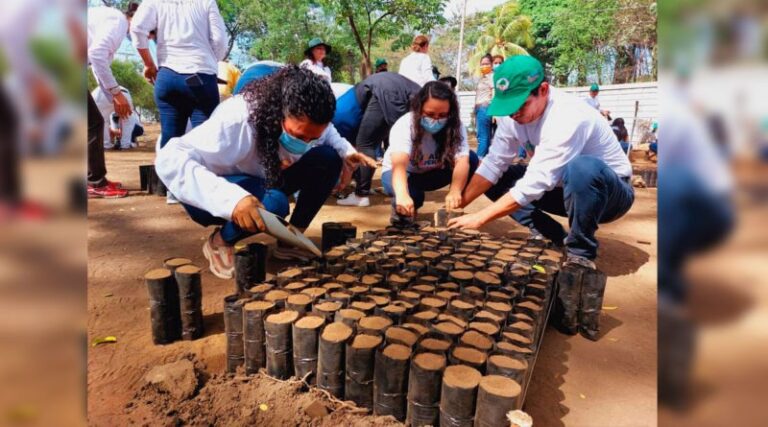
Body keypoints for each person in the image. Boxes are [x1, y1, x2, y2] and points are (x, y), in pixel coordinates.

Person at [155, 66, 376, 278]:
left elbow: (328, 132)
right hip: (213, 192)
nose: (306, 143)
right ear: (279, 111)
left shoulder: (310, 119)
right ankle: (220, 242)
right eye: (298, 136)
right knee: (275, 204)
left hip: (262, 180)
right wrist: (233, 200)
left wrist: (346, 152)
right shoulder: (237, 119)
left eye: (312, 138)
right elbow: (170, 158)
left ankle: (290, 241)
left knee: (327, 158)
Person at [448, 55, 634, 270]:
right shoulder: (512, 117)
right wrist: (459, 205)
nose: (513, 113)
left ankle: (580, 254)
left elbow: (537, 181)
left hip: (608, 196)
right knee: (496, 177)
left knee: (581, 168)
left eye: (521, 105)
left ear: (543, 90)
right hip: (561, 190)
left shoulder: (569, 115)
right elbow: (493, 163)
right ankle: (551, 233)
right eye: (508, 107)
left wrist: (480, 218)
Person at [130, 0, 228, 150]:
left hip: (168, 77)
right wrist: (208, 61)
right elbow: (220, 41)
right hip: (201, 79)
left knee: (169, 142)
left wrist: (149, 64)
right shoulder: (207, 2)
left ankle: (165, 171)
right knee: (204, 144)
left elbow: (137, 28)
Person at [382, 81, 479, 226]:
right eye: (430, 114)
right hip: (403, 173)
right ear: (419, 108)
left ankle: (452, 209)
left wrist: (455, 191)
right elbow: (399, 165)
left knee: (471, 158)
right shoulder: (405, 125)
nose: (435, 120)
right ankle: (405, 206)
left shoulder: (455, 126)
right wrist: (402, 194)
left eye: (442, 115)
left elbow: (462, 161)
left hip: (433, 173)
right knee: (411, 196)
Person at [332, 72, 421, 207]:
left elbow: (352, 155)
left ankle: (360, 195)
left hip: (385, 91)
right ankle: (373, 187)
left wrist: (345, 175)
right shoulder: (338, 107)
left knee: (365, 144)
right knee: (374, 143)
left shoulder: (333, 125)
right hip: (409, 91)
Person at [86, 3, 138, 198]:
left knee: (91, 122)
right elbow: (96, 55)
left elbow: (98, 66)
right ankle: (95, 182)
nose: (147, 37)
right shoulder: (118, 21)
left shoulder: (110, 22)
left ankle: (94, 180)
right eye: (150, 31)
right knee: (93, 123)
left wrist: (113, 97)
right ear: (134, 18)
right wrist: (116, 94)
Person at [91, 85, 142, 150]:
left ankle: (106, 145)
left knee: (103, 122)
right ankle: (125, 145)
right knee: (127, 120)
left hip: (101, 95)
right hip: (123, 93)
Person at [475, 53, 494, 158]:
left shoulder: (492, 76)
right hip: (480, 109)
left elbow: (494, 92)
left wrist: (495, 111)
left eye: (486, 63)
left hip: (485, 107)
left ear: (491, 65)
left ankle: (479, 161)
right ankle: (484, 161)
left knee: (483, 137)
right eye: (482, 64)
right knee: (483, 136)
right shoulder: (484, 77)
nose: (484, 66)